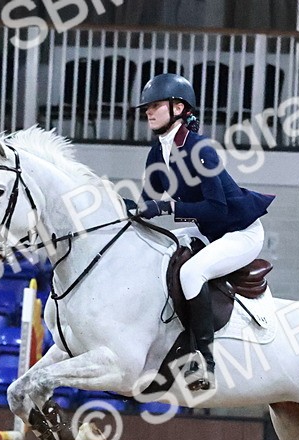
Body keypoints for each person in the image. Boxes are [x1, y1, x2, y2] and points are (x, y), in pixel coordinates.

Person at [126, 73, 274, 391]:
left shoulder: (200, 149)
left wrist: (169, 208)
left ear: (178, 107)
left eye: (155, 106)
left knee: (191, 273)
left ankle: (203, 360)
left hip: (240, 233)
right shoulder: (157, 154)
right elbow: (146, 206)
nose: (148, 112)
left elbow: (217, 208)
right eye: (147, 107)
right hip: (208, 234)